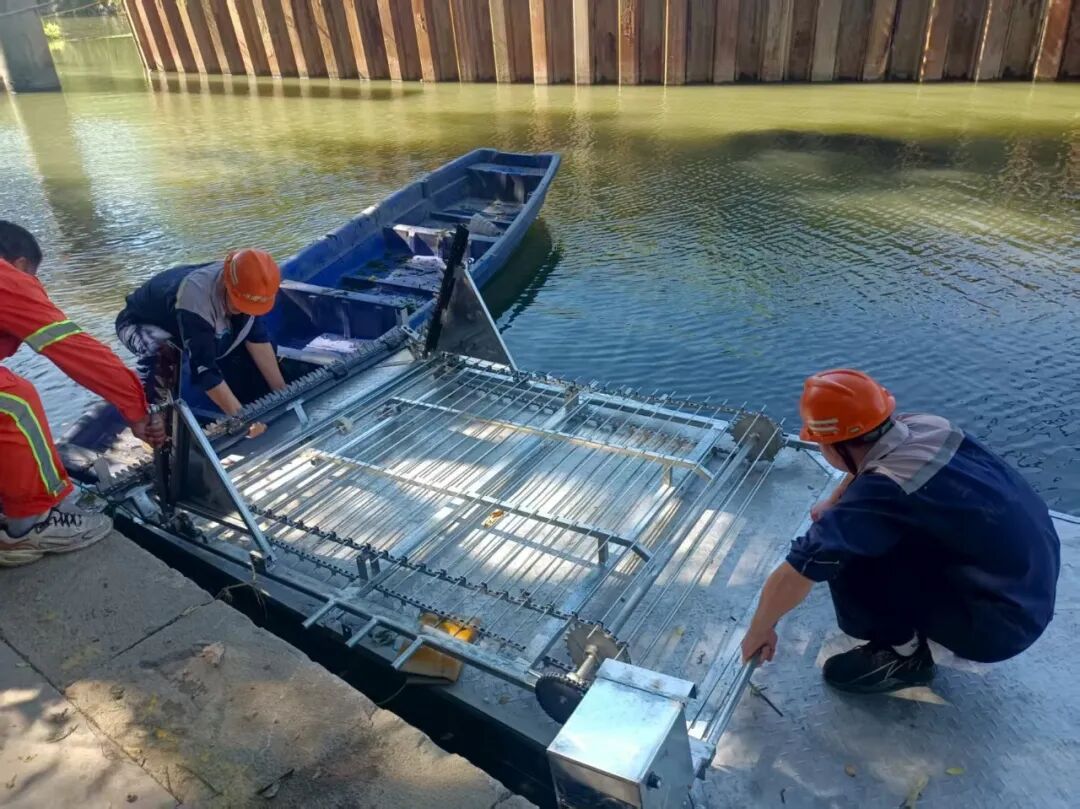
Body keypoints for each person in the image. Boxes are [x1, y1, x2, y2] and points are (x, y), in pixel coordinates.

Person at [740, 368, 1060, 693]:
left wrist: (758, 630)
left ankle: (904, 658)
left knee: (845, 553)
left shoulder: (884, 491)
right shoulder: (925, 424)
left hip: (999, 628)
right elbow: (868, 464)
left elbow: (800, 569)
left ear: (834, 447)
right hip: (1031, 586)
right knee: (849, 526)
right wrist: (835, 501)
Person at [0, 221, 164, 567]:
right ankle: (30, 526)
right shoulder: (7, 280)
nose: (35, 285)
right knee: (16, 401)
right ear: (18, 265)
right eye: (33, 275)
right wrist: (136, 410)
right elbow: (74, 348)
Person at [115, 249, 286, 421]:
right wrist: (243, 419)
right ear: (227, 284)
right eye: (241, 304)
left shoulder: (249, 284)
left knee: (258, 349)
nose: (245, 310)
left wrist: (283, 395)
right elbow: (204, 370)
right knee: (161, 353)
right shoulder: (195, 300)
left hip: (191, 319)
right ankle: (152, 420)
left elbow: (257, 340)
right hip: (139, 322)